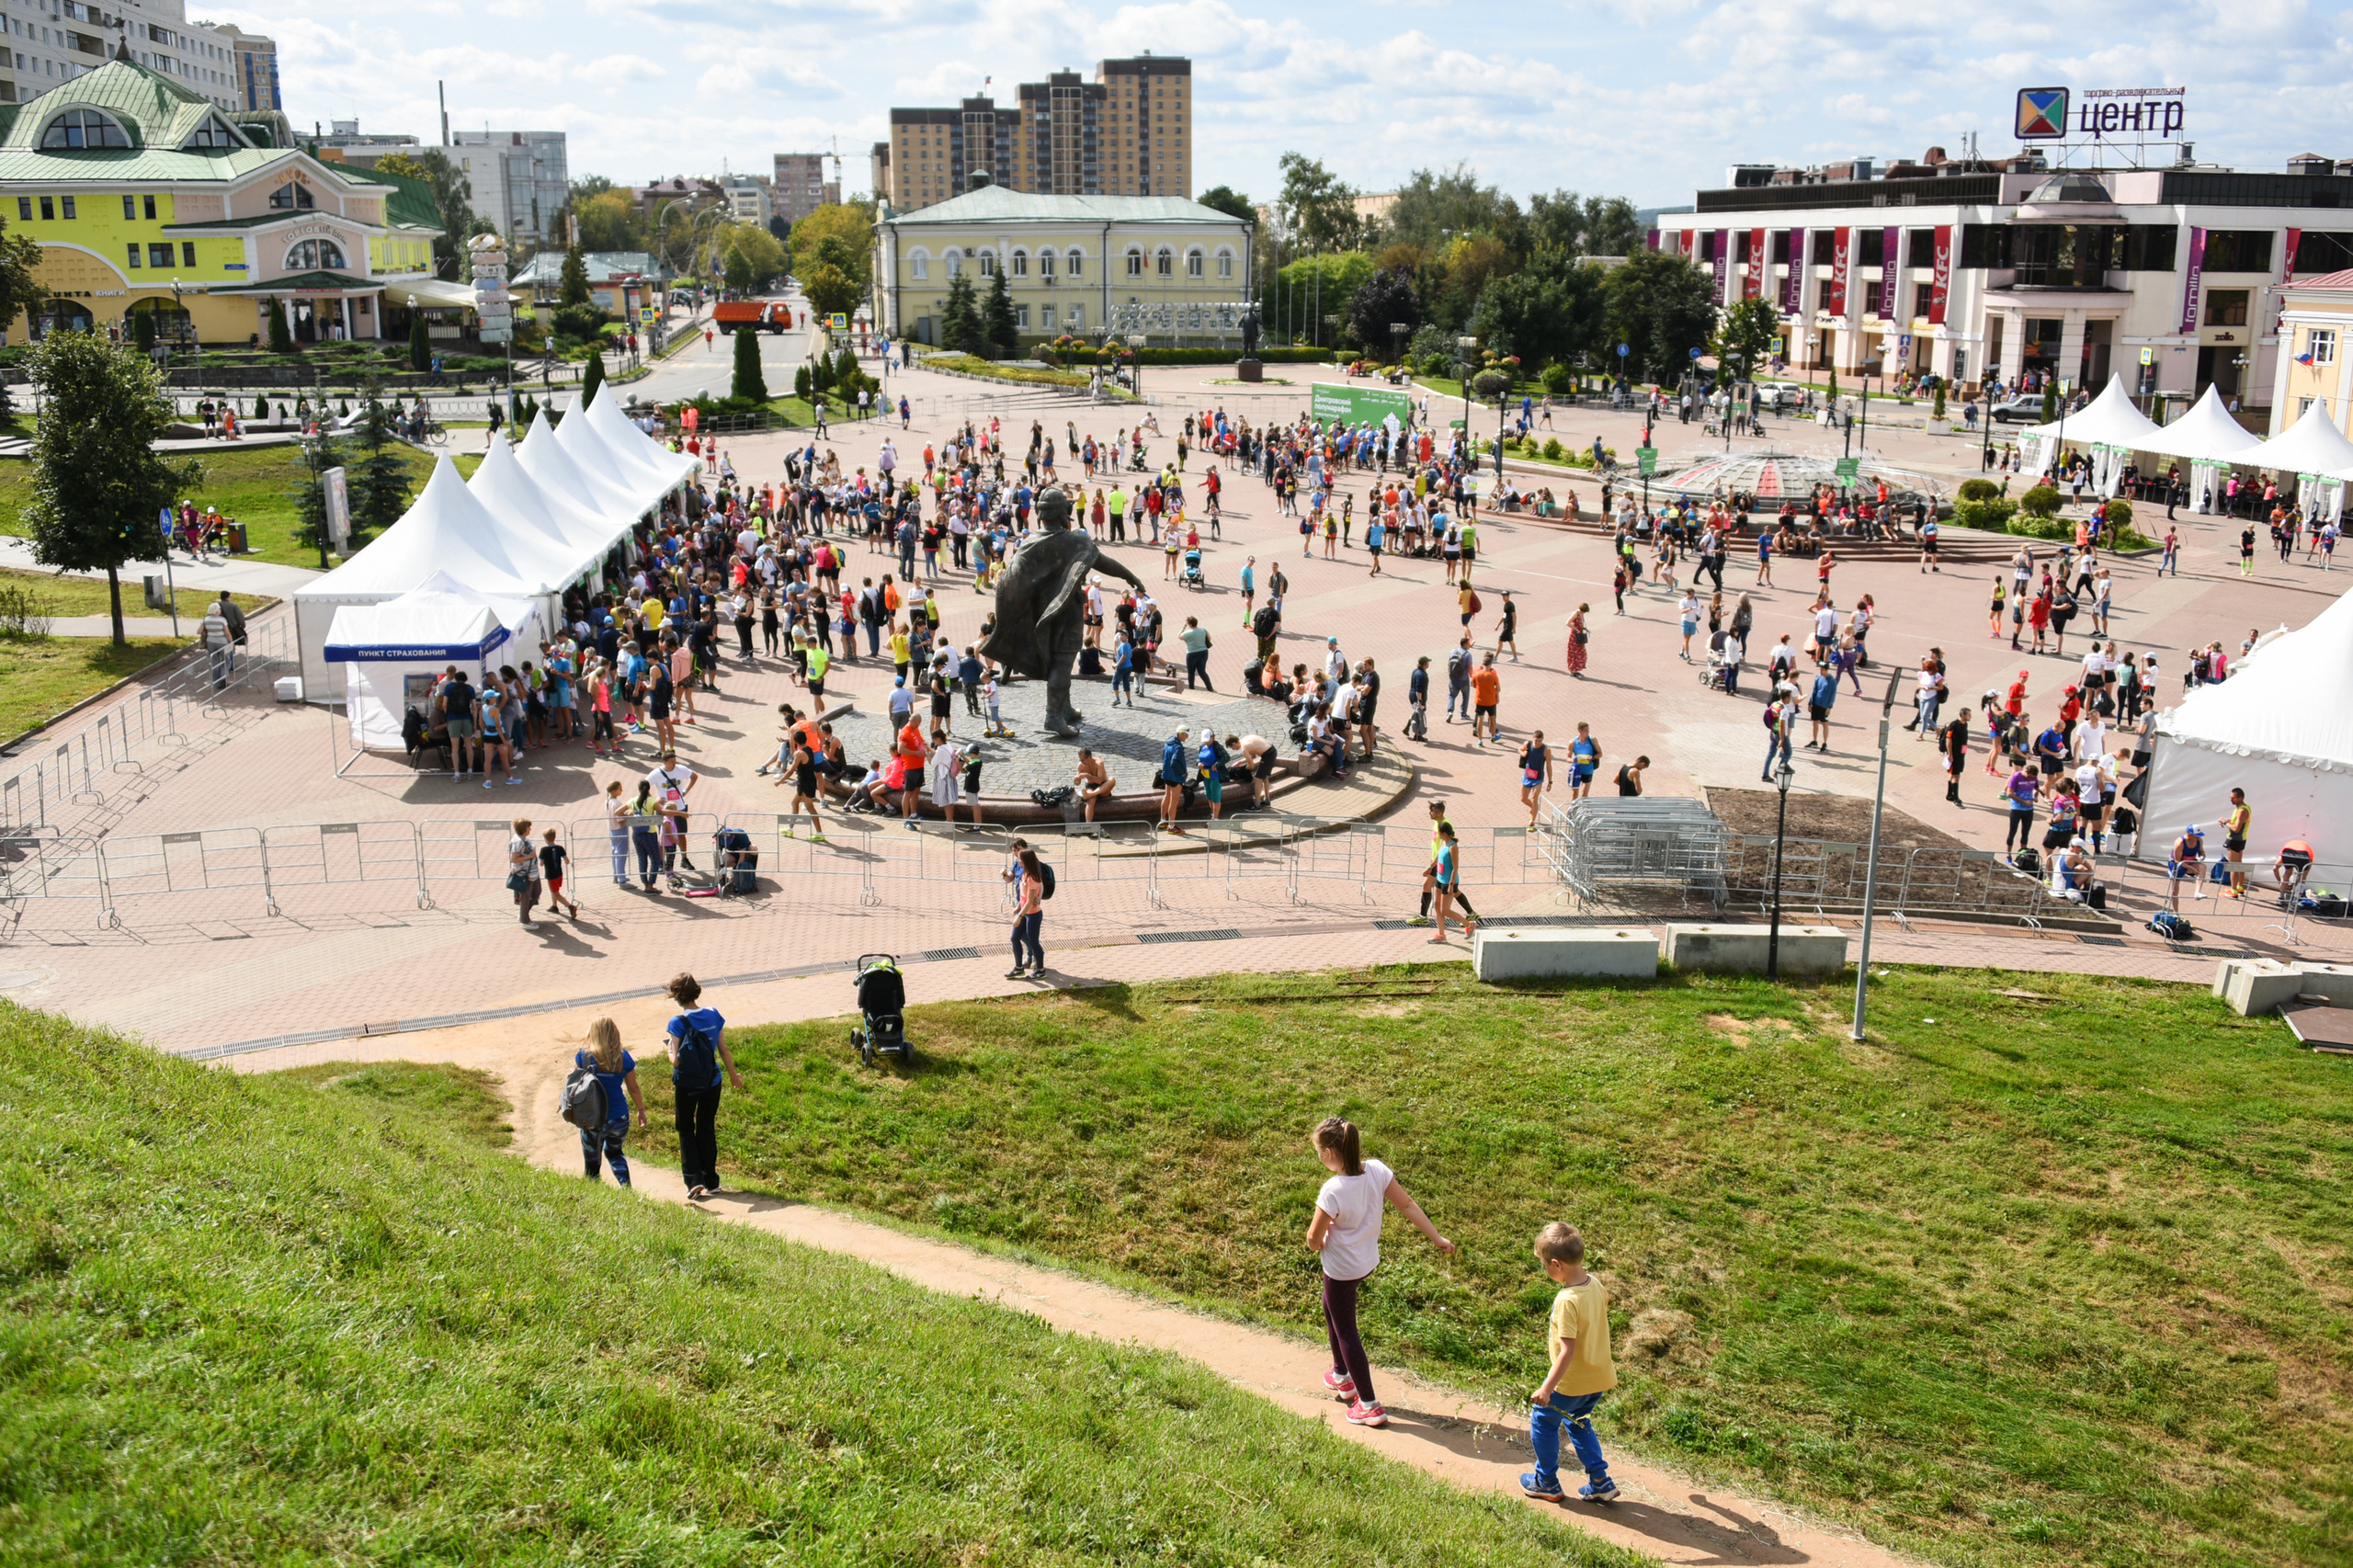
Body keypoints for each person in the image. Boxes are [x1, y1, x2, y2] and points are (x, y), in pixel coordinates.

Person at [1304, 1116, 1455, 1428]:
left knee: (1346, 1329)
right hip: (1364, 1262)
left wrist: (1320, 1239)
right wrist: (1437, 1237)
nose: (1319, 1157)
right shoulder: (1376, 1170)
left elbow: (1312, 1240)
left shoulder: (1332, 1190)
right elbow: (1408, 1204)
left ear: (1331, 1153)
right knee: (1329, 1306)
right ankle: (1340, 1375)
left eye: (1319, 1151)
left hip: (1341, 1268)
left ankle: (1369, 1404)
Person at [1518, 1221, 1620, 1506]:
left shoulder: (1566, 1300)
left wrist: (1546, 1388)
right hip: (1598, 1378)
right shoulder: (1595, 1284)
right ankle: (1600, 1480)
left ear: (1556, 1264)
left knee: (1543, 1423)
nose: (1545, 1270)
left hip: (1571, 1383)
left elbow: (1567, 1352)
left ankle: (1546, 1481)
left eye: (1543, 1265)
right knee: (1579, 1422)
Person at [665, 973, 740, 1201]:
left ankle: (693, 1180)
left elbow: (675, 1058)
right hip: (712, 1081)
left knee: (686, 1128)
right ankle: (712, 1181)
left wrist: (671, 1051)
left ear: (677, 996)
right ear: (697, 991)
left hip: (688, 1083)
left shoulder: (677, 1023)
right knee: (706, 1128)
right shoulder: (714, 1015)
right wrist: (734, 1076)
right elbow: (724, 1049)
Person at [573, 1017, 645, 1187]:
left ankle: (593, 1190)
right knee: (614, 1152)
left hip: (591, 1118)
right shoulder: (624, 1057)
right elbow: (634, 1088)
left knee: (592, 1160)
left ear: (593, 1034)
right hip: (619, 1117)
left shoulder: (584, 1057)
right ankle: (626, 1186)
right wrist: (641, 1110)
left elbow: (574, 1085)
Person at [1006, 845, 1048, 979]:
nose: (1018, 862)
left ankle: (1040, 970)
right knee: (1014, 938)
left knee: (1033, 940)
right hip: (1024, 912)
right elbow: (1023, 897)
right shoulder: (1024, 874)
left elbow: (1030, 901)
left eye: (1020, 860)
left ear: (1027, 861)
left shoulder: (1033, 878)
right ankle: (1019, 968)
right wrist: (1018, 906)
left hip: (1033, 915)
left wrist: (1020, 916)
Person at [507, 816, 542, 926]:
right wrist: (530, 856)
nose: (530, 829)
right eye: (528, 827)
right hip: (524, 874)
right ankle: (525, 920)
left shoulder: (523, 839)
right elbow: (514, 858)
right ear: (523, 828)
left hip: (532, 873)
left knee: (537, 892)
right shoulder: (518, 842)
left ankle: (524, 914)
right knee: (526, 896)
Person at [539, 827, 578, 921]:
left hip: (550, 875)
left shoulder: (544, 850)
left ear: (546, 839)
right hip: (559, 874)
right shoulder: (560, 848)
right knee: (554, 890)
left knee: (556, 893)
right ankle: (554, 906)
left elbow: (541, 864)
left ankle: (570, 906)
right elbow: (567, 861)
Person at [2167, 823, 2208, 911]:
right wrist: (2192, 869)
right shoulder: (2180, 843)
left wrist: (2202, 856)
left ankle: (2197, 893)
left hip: (2189, 863)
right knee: (2175, 891)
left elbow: (2202, 851)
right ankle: (2176, 913)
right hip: (2178, 865)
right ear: (2189, 835)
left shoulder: (2199, 841)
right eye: (2196, 836)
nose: (2198, 838)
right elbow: (2178, 861)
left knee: (2203, 867)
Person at [1158, 725, 1191, 834]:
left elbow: (1164, 757)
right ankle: (1172, 827)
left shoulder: (1168, 742)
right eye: (1186, 735)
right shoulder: (1178, 747)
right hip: (1175, 777)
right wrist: (1183, 773)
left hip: (1167, 775)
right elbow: (1174, 762)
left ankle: (1163, 821)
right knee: (1174, 801)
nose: (1187, 737)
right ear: (1181, 734)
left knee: (1167, 796)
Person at [2220, 787, 2252, 898]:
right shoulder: (2242, 808)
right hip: (2241, 839)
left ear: (2241, 798)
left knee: (2233, 866)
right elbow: (2238, 822)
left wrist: (2225, 822)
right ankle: (2240, 887)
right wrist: (2228, 821)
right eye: (2230, 798)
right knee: (2239, 864)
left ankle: (2233, 891)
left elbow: (2236, 828)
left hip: (2235, 839)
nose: (2231, 800)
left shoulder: (2242, 810)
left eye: (2234, 798)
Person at [1519, 730, 1553, 824]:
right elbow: (1520, 749)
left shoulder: (1546, 750)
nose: (1538, 743)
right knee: (1523, 798)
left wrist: (1550, 781)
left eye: (1540, 741)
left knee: (1535, 798)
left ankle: (1532, 820)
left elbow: (1549, 766)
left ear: (1542, 740)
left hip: (1538, 778)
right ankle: (1534, 808)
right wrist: (1523, 753)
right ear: (1533, 739)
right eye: (1536, 741)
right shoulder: (1528, 744)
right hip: (1527, 775)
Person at [1074, 748, 1116, 823]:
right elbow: (1077, 783)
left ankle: (1090, 795)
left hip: (1103, 787)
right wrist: (1076, 779)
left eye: (1083, 760)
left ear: (1089, 757)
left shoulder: (1099, 763)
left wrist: (1088, 776)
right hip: (1090, 786)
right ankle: (1088, 825)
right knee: (1091, 800)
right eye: (1080, 760)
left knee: (1112, 779)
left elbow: (1099, 781)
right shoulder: (1081, 765)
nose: (1082, 762)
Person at [1471, 653, 1502, 744]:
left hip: (1480, 700)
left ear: (1483, 664)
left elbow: (1473, 685)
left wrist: (1481, 688)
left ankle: (1480, 740)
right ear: (1490, 664)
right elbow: (1498, 689)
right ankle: (1493, 737)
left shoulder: (1477, 674)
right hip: (1491, 700)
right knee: (1492, 719)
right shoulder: (1493, 675)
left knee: (1480, 719)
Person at [1565, 604, 1589, 678]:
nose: (1583, 613)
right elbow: (1567, 623)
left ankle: (1576, 670)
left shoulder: (1580, 614)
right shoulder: (1575, 613)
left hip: (1579, 635)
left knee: (1580, 653)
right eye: (1583, 612)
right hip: (1574, 636)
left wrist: (1583, 628)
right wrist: (1576, 629)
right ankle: (1572, 671)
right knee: (1574, 653)